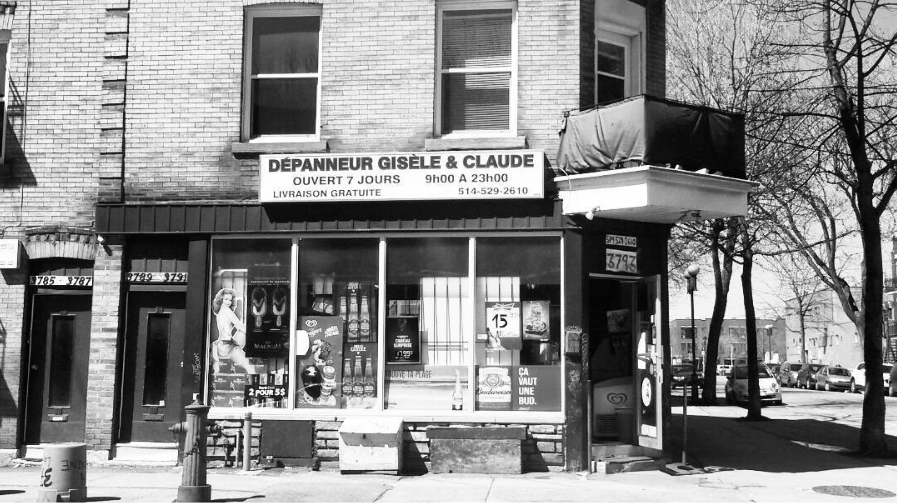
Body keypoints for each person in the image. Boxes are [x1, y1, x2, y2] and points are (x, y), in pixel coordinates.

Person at [212, 288, 255, 374]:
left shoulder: (220, 311)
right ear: (221, 300)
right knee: (250, 367)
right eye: (226, 299)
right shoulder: (226, 311)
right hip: (226, 347)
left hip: (224, 345)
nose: (228, 302)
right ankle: (253, 386)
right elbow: (239, 326)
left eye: (230, 300)